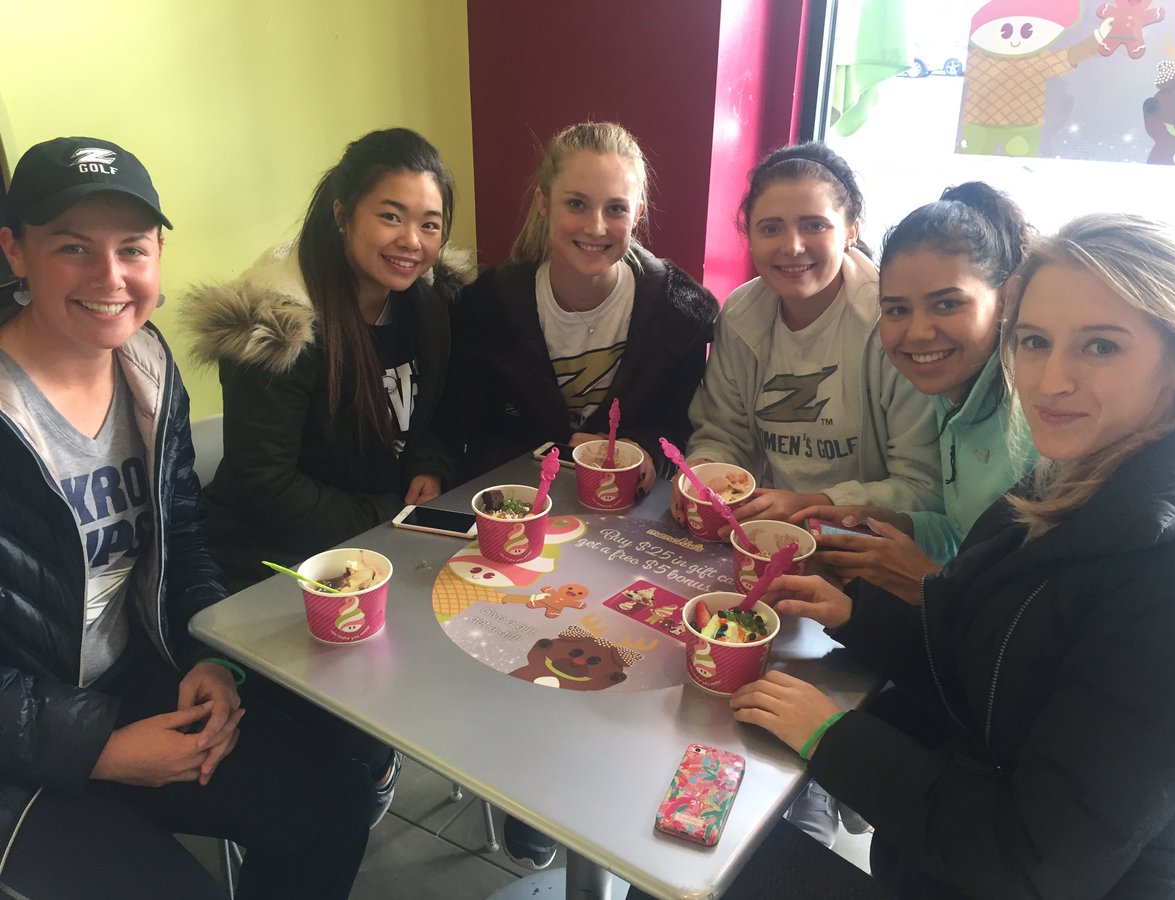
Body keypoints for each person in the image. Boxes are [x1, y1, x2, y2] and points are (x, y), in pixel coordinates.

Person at [725, 214, 1175, 897]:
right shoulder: (1073, 476)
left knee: (696, 866)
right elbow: (1005, 669)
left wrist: (830, 734)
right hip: (940, 854)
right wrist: (855, 615)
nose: (1052, 380)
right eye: (1034, 342)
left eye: (1100, 347)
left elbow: (1033, 862)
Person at [0, 137, 374, 899]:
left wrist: (208, 654)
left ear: (158, 253)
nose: (110, 278)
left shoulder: (146, 362)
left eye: (131, 249)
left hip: (132, 680)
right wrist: (98, 748)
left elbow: (183, 531)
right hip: (22, 747)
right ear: (15, 252)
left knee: (332, 797)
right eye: (73, 247)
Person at [186, 127, 470, 593]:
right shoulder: (280, 325)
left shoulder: (425, 303)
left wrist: (428, 464)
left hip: (372, 548)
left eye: (430, 225)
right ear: (343, 215)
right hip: (272, 563)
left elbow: (430, 414)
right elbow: (265, 482)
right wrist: (387, 514)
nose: (412, 241)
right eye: (391, 216)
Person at [675, 142, 940, 529]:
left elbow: (920, 487)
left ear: (851, 229)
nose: (792, 246)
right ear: (749, 235)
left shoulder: (892, 320)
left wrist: (810, 505)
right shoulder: (739, 316)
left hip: (863, 542)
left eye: (814, 225)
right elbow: (721, 436)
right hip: (756, 532)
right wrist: (701, 474)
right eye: (771, 228)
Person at [440, 121, 718, 488]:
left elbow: (681, 431)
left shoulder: (680, 314)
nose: (596, 227)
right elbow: (469, 436)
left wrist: (644, 452)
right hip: (521, 502)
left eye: (616, 208)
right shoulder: (486, 309)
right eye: (576, 204)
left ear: (638, 212)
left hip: (627, 512)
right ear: (543, 202)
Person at [796, 182, 1037, 603]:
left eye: (947, 304)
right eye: (897, 310)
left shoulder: (1037, 423)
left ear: (1006, 301)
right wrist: (890, 525)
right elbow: (963, 535)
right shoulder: (950, 396)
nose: (918, 333)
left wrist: (927, 585)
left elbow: (1027, 618)